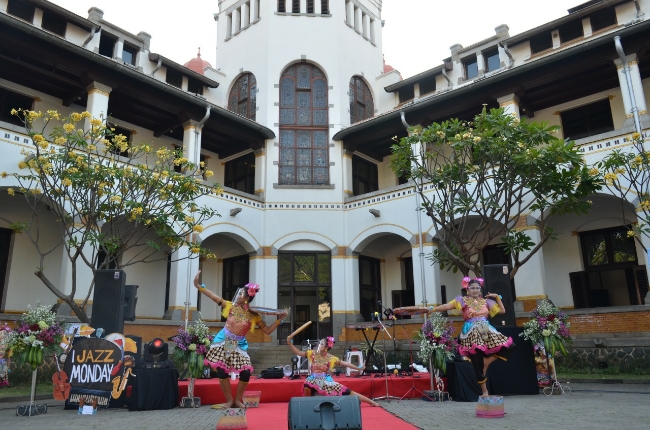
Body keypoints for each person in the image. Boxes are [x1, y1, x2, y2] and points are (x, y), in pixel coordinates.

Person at [194, 270, 286, 408]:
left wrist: (280, 320)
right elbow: (213, 296)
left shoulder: (253, 315)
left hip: (239, 343)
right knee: (221, 370)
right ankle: (229, 400)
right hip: (225, 340)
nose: (237, 295)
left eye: (241, 294)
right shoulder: (231, 306)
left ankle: (237, 400)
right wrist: (198, 285)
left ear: (247, 298)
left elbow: (267, 331)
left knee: (246, 372)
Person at [431, 276, 514, 397]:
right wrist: (433, 309)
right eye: (472, 288)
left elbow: (502, 311)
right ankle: (485, 391)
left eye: (477, 288)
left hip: (486, 330)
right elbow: (447, 306)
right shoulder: (462, 301)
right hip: (471, 331)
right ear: (467, 290)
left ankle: (487, 361)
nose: (475, 290)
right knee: (476, 361)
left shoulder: (486, 302)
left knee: (510, 346)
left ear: (480, 290)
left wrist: (497, 297)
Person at [286, 335, 380, 407]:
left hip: (325, 381)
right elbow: (298, 352)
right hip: (313, 379)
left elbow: (345, 363)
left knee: (347, 391)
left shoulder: (331, 358)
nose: (319, 345)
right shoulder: (313, 353)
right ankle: (308, 405)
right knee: (307, 383)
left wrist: (359, 368)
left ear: (326, 347)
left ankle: (370, 402)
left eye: (321, 344)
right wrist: (290, 343)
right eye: (320, 343)